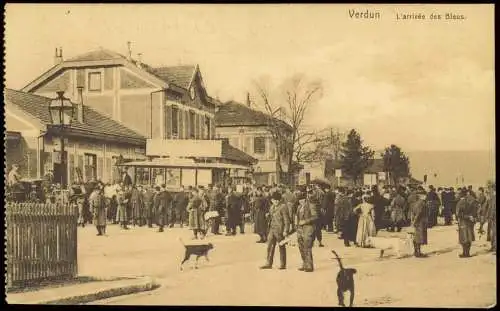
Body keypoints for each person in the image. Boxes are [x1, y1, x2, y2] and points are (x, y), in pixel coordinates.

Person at [260, 191, 291, 270]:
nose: (276, 202)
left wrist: (286, 231)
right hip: (272, 229)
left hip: (280, 230)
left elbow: (287, 220)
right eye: (274, 200)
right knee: (269, 246)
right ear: (272, 200)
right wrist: (268, 216)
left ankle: (282, 264)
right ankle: (268, 263)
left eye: (277, 200)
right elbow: (271, 217)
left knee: (281, 246)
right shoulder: (272, 207)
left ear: (280, 200)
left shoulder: (283, 207)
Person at [296, 187, 318, 272]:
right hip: (300, 229)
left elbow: (315, 217)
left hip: (309, 228)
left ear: (305, 199)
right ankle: (304, 263)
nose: (301, 202)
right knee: (301, 246)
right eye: (299, 200)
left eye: (302, 200)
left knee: (307, 246)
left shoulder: (311, 205)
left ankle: (309, 265)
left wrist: (305, 221)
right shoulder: (299, 207)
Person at [456, 188, 476, 258]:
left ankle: (465, 253)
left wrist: (467, 217)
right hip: (469, 223)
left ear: (460, 195)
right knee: (468, 238)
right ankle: (467, 253)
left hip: (463, 222)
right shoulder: (469, 202)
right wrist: (471, 217)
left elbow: (459, 214)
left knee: (464, 238)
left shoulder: (460, 203)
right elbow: (474, 211)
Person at [410, 187, 429, 258]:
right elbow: (418, 213)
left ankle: (416, 252)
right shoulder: (421, 203)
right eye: (424, 195)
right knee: (419, 237)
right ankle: (418, 252)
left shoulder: (416, 203)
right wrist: (414, 222)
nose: (426, 196)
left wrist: (412, 222)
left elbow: (412, 213)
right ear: (421, 195)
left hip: (417, 222)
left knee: (416, 237)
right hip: (420, 222)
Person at [485, 183, 496, 253]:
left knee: (494, 233)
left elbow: (493, 209)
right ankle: (493, 247)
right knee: (493, 233)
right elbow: (489, 208)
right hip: (492, 218)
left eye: (489, 189)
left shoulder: (494, 198)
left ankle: (494, 248)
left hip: (494, 218)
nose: (488, 191)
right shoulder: (492, 197)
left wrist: (491, 216)